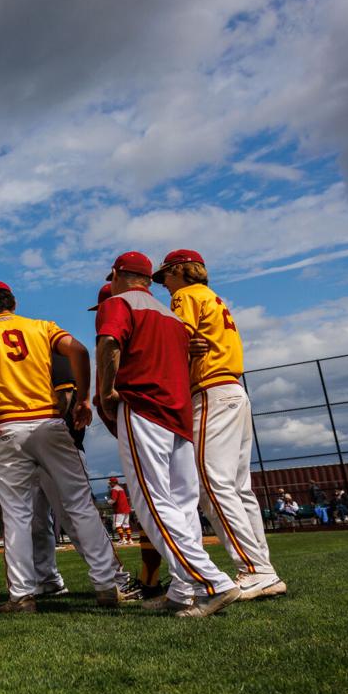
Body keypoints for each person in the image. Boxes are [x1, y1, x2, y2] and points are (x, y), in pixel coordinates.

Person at [0, 280, 124, 613]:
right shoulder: (41, 327)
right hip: (49, 421)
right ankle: (109, 584)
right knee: (79, 505)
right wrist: (85, 399)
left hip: (8, 426)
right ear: (13, 303)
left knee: (17, 516)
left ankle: (22, 596)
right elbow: (79, 350)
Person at [94, 251, 238, 618]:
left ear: (117, 274)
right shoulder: (171, 316)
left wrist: (108, 390)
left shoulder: (117, 303)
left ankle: (213, 582)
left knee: (152, 502)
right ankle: (182, 588)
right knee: (183, 503)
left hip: (144, 406)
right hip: (179, 412)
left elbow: (109, 343)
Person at [155, 249, 285, 599]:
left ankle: (254, 569)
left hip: (211, 391)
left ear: (180, 270)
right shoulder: (213, 296)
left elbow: (177, 340)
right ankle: (263, 569)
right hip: (233, 390)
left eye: (165, 275)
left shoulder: (185, 295)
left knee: (212, 484)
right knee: (239, 488)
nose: (164, 284)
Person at [109, 477, 133, 545]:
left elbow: (113, 500)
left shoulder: (114, 489)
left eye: (110, 483)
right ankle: (129, 539)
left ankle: (122, 539)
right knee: (126, 525)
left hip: (119, 509)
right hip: (126, 509)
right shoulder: (121, 488)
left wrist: (108, 502)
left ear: (113, 483)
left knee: (117, 524)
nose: (110, 484)